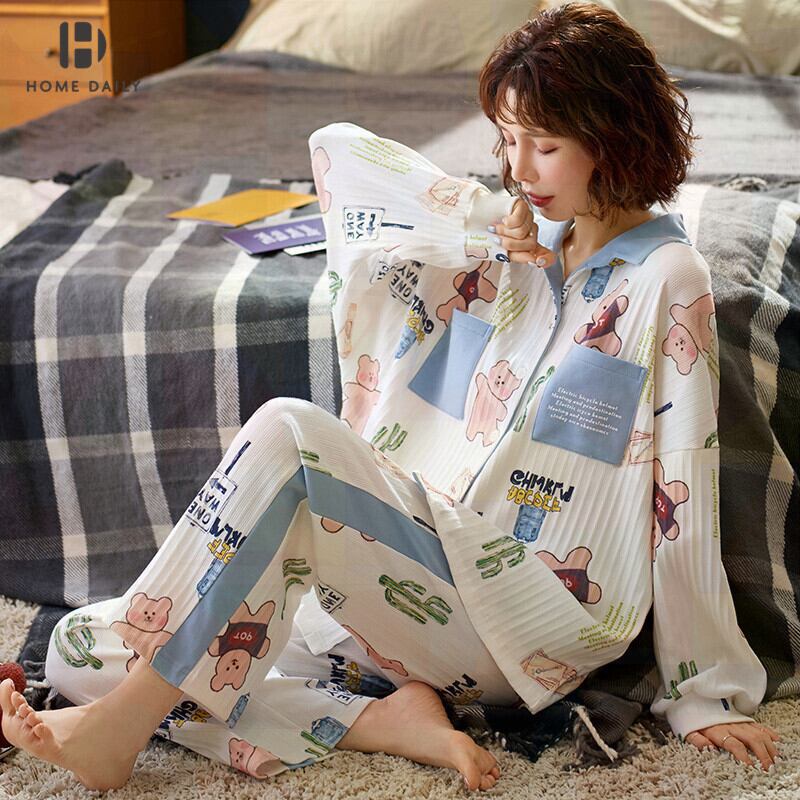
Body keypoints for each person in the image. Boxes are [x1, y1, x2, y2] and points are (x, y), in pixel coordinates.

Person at [0, 2, 782, 792]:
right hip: (415, 569)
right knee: (78, 649)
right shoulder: (515, 235)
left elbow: (683, 487)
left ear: (614, 137)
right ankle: (381, 721)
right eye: (507, 141)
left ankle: (125, 726)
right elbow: (341, 159)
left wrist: (701, 691)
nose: (519, 170)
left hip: (529, 615)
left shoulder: (667, 278)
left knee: (290, 433)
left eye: (544, 146)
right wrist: (481, 223)